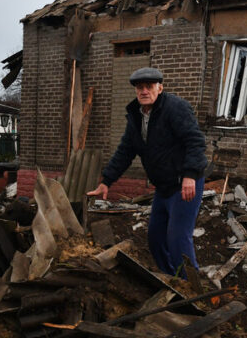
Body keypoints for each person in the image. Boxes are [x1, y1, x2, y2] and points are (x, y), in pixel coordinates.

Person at [88, 67, 207, 277]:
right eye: (140, 87)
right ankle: (170, 281)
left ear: (160, 88)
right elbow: (125, 150)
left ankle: (191, 288)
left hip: (184, 184)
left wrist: (190, 175)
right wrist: (106, 181)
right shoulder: (136, 115)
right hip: (163, 188)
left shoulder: (175, 108)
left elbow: (195, 142)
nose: (144, 91)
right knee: (156, 239)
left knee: (178, 239)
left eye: (149, 87)